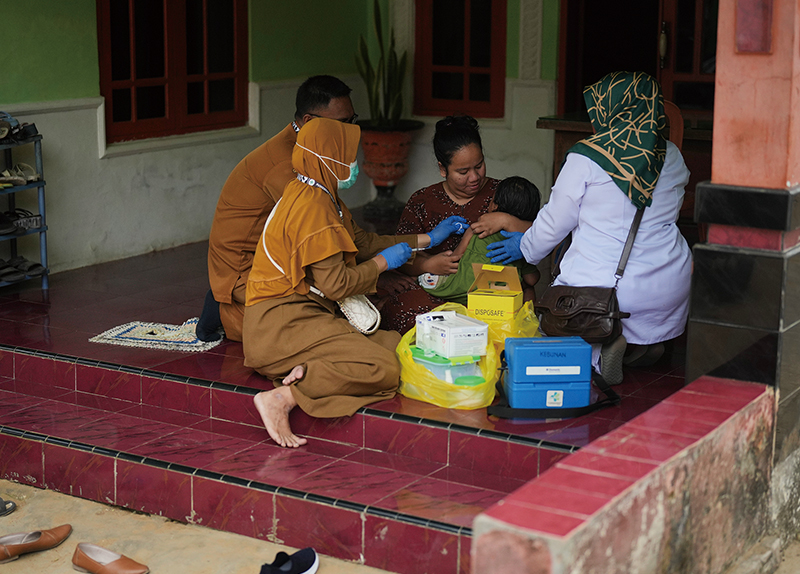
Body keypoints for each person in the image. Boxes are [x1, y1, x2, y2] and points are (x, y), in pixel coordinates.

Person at [243, 117, 466, 448]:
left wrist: (428, 238)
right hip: (280, 326)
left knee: (393, 344)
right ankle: (283, 398)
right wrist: (382, 264)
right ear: (326, 157)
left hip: (301, 316)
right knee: (384, 368)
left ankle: (310, 368)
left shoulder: (318, 193)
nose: (353, 164)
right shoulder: (312, 207)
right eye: (346, 155)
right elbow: (335, 284)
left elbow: (362, 241)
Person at [488, 71, 692, 385]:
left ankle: (598, 353)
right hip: (671, 283)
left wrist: (524, 246)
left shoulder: (587, 158)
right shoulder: (672, 155)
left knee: (556, 320)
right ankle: (644, 343)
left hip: (608, 292)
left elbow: (555, 222)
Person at [198, 75, 360, 342]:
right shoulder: (287, 165)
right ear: (309, 122)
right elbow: (318, 236)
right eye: (342, 124)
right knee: (314, 317)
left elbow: (343, 227)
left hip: (274, 256)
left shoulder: (313, 151)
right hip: (245, 272)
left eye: (352, 122)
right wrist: (378, 268)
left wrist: (404, 252)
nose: (350, 133)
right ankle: (223, 310)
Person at [378, 115, 532, 333]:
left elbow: (544, 233)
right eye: (463, 172)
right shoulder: (422, 201)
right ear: (443, 169)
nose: (474, 177)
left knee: (504, 318)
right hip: (436, 289)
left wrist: (508, 220)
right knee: (406, 313)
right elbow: (401, 253)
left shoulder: (505, 194)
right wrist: (428, 265)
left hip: (492, 292)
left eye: (479, 166)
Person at [418, 176, 542, 305]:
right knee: (527, 290)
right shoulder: (522, 241)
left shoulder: (477, 228)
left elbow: (457, 256)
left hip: (464, 291)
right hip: (503, 299)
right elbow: (532, 279)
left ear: (494, 205)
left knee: (427, 279)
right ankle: (526, 314)